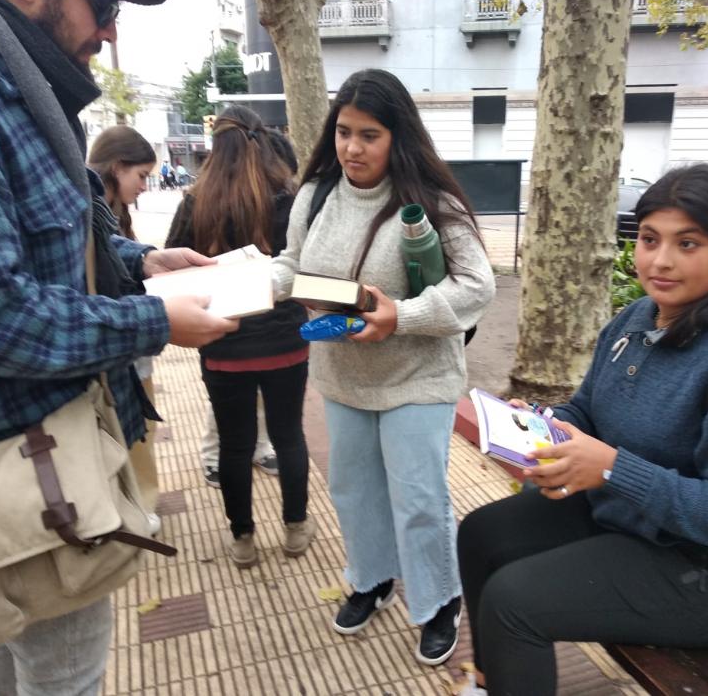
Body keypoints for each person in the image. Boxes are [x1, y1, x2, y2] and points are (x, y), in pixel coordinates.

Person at [0, 0, 236, 693]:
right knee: (63, 679)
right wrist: (156, 321)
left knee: (9, 668)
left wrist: (139, 262)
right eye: (103, 1)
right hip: (15, 476)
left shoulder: (9, 81)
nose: (110, 29)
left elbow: (42, 249)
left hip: (46, 454)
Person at [456, 163, 708, 696]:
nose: (660, 261)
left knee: (514, 600)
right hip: (626, 518)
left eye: (688, 244)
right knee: (480, 534)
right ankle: (489, 681)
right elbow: (590, 413)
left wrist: (617, 470)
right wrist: (544, 429)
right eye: (649, 239)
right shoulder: (636, 320)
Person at [270, 69, 495, 666]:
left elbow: (477, 285)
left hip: (417, 378)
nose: (351, 148)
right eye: (344, 132)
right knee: (353, 488)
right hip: (342, 374)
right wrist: (232, 286)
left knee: (419, 498)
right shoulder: (314, 196)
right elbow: (290, 264)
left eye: (368, 135)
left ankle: (438, 599)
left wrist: (405, 315)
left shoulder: (431, 201)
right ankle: (372, 578)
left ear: (397, 137)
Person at [165, 104, 313, 568]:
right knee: (289, 436)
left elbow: (172, 263)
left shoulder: (194, 200)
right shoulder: (286, 197)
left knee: (235, 444)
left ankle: (242, 539)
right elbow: (307, 269)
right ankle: (294, 528)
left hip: (222, 344)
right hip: (286, 342)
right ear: (261, 138)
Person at [195, 126, 301, 487]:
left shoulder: (279, 200)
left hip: (254, 330)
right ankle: (215, 455)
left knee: (248, 415)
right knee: (235, 420)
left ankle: (256, 449)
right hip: (233, 329)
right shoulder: (205, 200)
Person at [88, 124, 163, 535]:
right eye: (142, 176)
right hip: (116, 345)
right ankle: (131, 512)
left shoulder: (108, 209)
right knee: (122, 436)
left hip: (129, 343)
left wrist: (150, 260)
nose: (145, 187)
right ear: (117, 168)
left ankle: (137, 507)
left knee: (138, 434)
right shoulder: (91, 206)